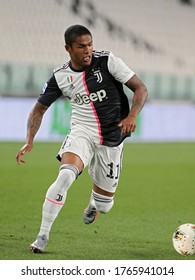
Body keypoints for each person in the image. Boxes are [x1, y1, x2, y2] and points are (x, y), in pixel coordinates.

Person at [16, 24, 148, 253]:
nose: (88, 50)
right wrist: (29, 140)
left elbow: (140, 88)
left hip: (112, 137)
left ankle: (95, 203)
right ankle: (42, 236)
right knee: (65, 175)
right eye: (81, 46)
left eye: (90, 44)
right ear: (68, 48)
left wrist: (132, 115)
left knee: (106, 205)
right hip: (82, 132)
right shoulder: (60, 76)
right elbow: (38, 109)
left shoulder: (108, 61)